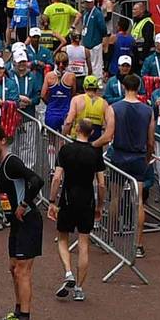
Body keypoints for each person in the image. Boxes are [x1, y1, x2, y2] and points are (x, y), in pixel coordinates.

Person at [0, 125, 45, 320]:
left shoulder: (12, 162)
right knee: (13, 267)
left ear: (3, 141)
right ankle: (18, 310)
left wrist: (23, 204)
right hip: (16, 223)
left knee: (23, 270)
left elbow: (36, 180)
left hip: (28, 220)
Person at [49, 120, 103, 303]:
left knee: (63, 238)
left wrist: (51, 201)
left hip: (68, 198)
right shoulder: (96, 152)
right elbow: (101, 183)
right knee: (83, 244)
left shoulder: (66, 150)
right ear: (92, 132)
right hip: (87, 200)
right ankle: (79, 288)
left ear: (77, 129)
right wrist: (100, 206)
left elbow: (57, 178)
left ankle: (68, 272)